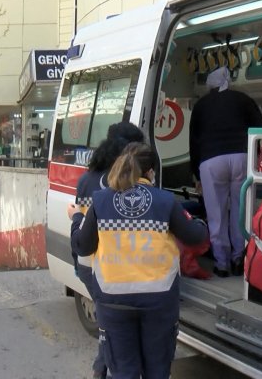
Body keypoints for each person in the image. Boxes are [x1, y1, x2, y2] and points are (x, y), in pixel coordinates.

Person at [68, 142, 208, 379]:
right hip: (159, 300)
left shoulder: (100, 200)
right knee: (157, 371)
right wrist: (199, 222)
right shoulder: (165, 201)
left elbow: (82, 246)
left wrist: (76, 219)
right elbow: (196, 237)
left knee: (124, 372)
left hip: (113, 302)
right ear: (151, 171)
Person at [74, 121, 146, 379]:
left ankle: (100, 371)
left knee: (109, 327)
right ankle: (102, 370)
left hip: (85, 263)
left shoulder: (86, 178)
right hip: (107, 266)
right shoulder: (120, 183)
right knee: (115, 330)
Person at [189, 67, 262, 277]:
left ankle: (222, 263)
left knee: (217, 213)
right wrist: (256, 158)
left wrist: (196, 173)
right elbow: (261, 127)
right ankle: (239, 258)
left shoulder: (201, 105)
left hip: (211, 160)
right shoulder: (243, 99)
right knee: (240, 210)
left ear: (210, 86)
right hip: (241, 157)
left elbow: (194, 142)